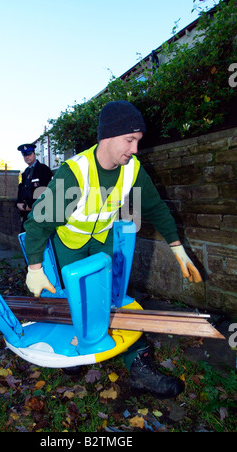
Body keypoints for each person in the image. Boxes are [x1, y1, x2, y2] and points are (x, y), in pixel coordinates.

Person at [24, 100, 202, 398]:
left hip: (102, 241)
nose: (134, 149)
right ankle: (75, 350)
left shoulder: (131, 169)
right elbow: (38, 223)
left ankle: (140, 368)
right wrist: (34, 267)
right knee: (71, 301)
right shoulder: (75, 174)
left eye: (137, 142)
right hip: (69, 243)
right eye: (129, 140)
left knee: (113, 301)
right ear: (107, 137)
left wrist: (177, 247)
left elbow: (155, 208)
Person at [16, 143, 53, 231]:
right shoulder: (26, 172)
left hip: (40, 214)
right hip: (27, 214)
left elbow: (45, 190)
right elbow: (22, 189)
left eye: (29, 154)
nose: (27, 157)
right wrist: (18, 203)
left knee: (38, 242)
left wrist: (32, 205)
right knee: (25, 240)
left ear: (34, 154)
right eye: (24, 155)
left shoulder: (43, 169)